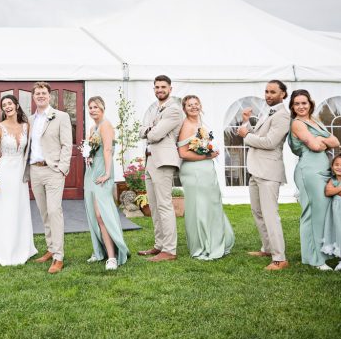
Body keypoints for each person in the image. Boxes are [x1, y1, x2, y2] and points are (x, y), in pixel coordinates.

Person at [237, 80, 291, 271]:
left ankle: (280, 258)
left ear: (283, 94)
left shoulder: (283, 115)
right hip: (255, 169)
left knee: (270, 215)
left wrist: (245, 135)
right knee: (258, 212)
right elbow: (258, 135)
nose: (268, 95)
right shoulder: (268, 111)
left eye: (272, 92)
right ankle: (267, 248)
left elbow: (269, 142)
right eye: (266, 91)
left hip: (269, 172)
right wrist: (246, 122)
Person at [176, 95, 235, 260]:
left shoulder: (200, 122)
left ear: (200, 105)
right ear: (184, 108)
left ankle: (215, 239)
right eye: (189, 105)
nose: (193, 107)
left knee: (211, 204)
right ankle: (203, 245)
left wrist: (209, 150)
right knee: (200, 207)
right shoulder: (186, 125)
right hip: (194, 171)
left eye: (196, 104)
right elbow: (183, 152)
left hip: (206, 169)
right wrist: (206, 157)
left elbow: (203, 144)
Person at [288, 89, 340, 271]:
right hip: (309, 170)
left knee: (324, 213)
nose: (301, 106)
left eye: (304, 103)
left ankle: (324, 252)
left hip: (324, 168)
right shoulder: (297, 124)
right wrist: (321, 139)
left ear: (310, 103)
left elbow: (336, 142)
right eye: (297, 104)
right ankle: (314, 259)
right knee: (312, 213)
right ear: (292, 107)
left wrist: (320, 138)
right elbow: (316, 146)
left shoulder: (315, 121)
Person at [26, 81, 73, 274]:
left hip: (53, 170)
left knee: (55, 211)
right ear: (34, 96)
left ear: (49, 95)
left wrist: (62, 168)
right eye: (37, 93)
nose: (40, 96)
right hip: (35, 171)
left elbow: (67, 144)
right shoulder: (29, 120)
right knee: (44, 212)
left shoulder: (61, 116)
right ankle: (50, 248)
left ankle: (58, 256)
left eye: (43, 93)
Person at [0, 95, 37, 266]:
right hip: (3, 172)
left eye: (9, 103)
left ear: (16, 105)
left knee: (19, 209)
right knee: (3, 209)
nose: (7, 106)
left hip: (20, 174)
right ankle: (1, 250)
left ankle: (21, 247)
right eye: (4, 105)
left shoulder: (26, 127)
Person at [138, 75, 182, 262]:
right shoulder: (155, 109)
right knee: (154, 206)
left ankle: (170, 250)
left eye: (163, 87)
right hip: (150, 160)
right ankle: (159, 245)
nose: (159, 90)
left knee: (164, 205)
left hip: (164, 161)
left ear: (170, 89)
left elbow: (154, 135)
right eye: (156, 87)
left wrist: (150, 129)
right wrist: (150, 129)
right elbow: (141, 130)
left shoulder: (174, 110)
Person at [83, 97, 129, 270]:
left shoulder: (106, 125)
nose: (93, 110)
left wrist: (108, 173)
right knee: (94, 214)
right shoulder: (93, 127)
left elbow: (108, 150)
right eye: (90, 107)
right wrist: (88, 156)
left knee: (103, 214)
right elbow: (93, 149)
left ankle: (113, 256)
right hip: (92, 172)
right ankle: (99, 251)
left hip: (103, 172)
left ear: (103, 108)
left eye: (96, 107)